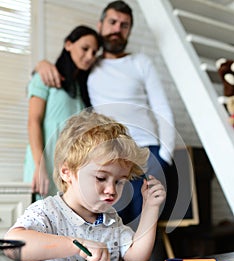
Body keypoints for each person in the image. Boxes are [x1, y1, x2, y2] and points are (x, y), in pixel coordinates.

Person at [35, 1, 176, 229]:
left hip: (145, 152)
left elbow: (162, 109)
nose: (117, 29)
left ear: (129, 31)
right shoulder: (89, 65)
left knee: (144, 225)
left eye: (124, 25)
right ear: (100, 25)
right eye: (112, 22)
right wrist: (40, 65)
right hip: (106, 155)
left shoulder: (140, 62)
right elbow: (62, 71)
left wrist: (164, 156)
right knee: (108, 225)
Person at [5, 111, 166, 261]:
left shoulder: (109, 219)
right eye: (101, 178)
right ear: (67, 172)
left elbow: (136, 256)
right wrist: (76, 245)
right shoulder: (46, 211)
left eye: (119, 181)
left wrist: (150, 207)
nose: (111, 190)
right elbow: (13, 245)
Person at [24, 25, 101, 200]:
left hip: (68, 174)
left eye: (94, 52)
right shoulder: (44, 78)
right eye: (85, 48)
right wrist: (39, 166)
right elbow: (33, 122)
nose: (89, 56)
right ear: (68, 44)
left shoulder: (81, 91)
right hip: (43, 167)